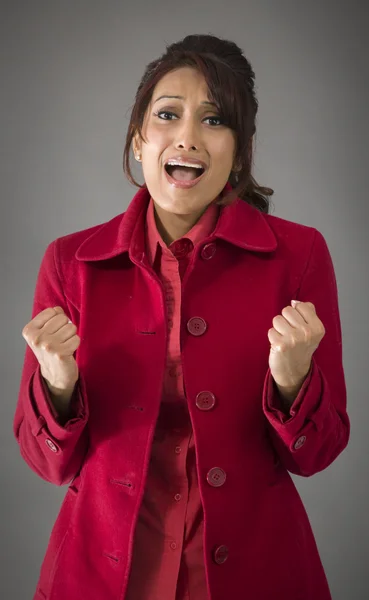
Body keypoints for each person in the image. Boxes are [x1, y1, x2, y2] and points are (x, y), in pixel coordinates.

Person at [14, 33, 350, 600]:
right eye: (168, 115)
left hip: (256, 573)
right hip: (100, 574)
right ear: (141, 136)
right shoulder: (69, 262)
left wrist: (293, 382)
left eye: (215, 121)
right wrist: (58, 386)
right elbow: (47, 464)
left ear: (240, 152)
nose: (188, 138)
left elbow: (316, 455)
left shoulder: (301, 256)